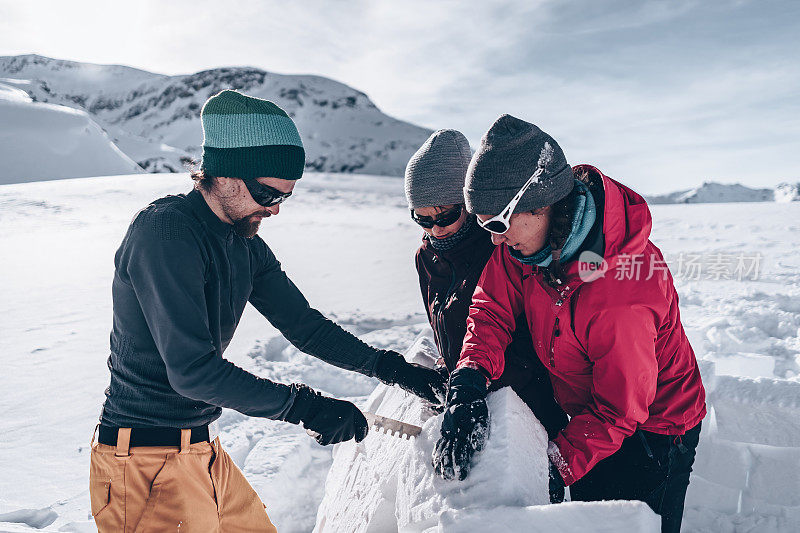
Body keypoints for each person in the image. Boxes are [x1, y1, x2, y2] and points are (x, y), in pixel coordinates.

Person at [89, 90, 446, 532]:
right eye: (266, 193)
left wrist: (390, 368)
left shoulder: (244, 243)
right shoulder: (164, 234)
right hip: (144, 462)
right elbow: (193, 372)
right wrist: (304, 406)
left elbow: (304, 325)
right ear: (224, 174)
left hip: (201, 448)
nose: (274, 208)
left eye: (285, 197)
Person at [431, 115, 706, 533]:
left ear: (541, 204)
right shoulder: (525, 244)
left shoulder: (621, 293)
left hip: (655, 428)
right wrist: (469, 378)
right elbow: (492, 308)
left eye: (498, 224)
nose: (494, 240)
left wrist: (552, 466)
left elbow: (619, 410)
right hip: (588, 415)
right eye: (485, 225)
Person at [405, 130, 568, 501]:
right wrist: (459, 381)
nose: (435, 229)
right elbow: (447, 329)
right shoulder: (426, 257)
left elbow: (513, 329)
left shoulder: (505, 246)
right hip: (470, 388)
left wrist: (477, 387)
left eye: (445, 215)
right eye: (422, 219)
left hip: (525, 397)